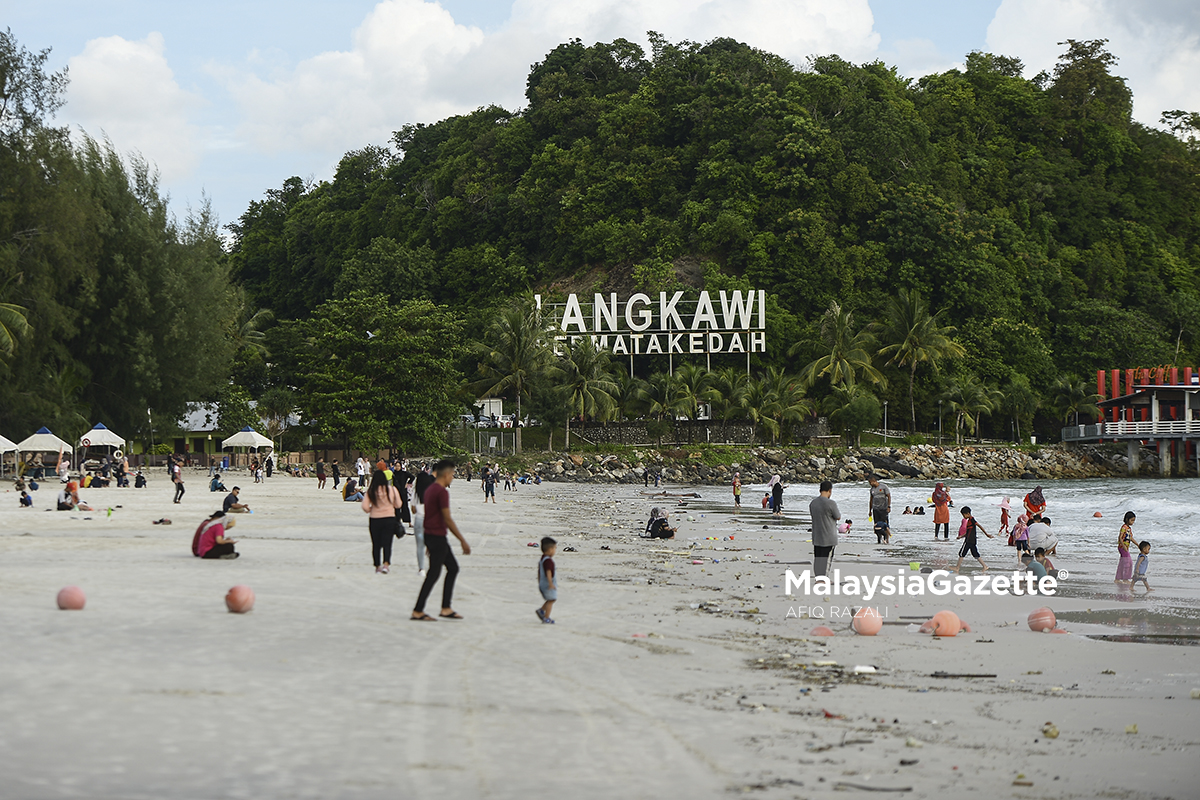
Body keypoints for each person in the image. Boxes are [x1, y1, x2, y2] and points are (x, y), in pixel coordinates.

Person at [411, 460, 471, 621]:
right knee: (436, 573)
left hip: (431, 535)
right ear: (446, 474)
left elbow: (429, 514)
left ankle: (445, 607)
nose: (453, 477)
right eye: (452, 474)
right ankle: (419, 610)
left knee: (451, 568)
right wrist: (462, 540)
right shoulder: (441, 492)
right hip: (437, 536)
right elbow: (447, 518)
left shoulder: (430, 490)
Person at [361, 468, 402, 574]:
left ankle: (377, 566)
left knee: (376, 543)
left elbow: (365, 507)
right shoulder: (392, 490)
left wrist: (372, 509)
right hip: (389, 518)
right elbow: (398, 504)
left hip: (375, 519)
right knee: (387, 543)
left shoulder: (371, 491)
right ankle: (386, 564)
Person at [810, 481, 840, 576]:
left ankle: (818, 577)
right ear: (830, 490)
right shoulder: (831, 503)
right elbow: (837, 516)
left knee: (818, 558)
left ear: (820, 490)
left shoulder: (813, 503)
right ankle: (823, 578)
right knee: (826, 559)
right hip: (829, 536)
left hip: (817, 535)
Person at [953, 505, 993, 573]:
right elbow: (968, 532)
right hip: (972, 540)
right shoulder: (969, 521)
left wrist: (986, 534)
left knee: (962, 553)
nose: (963, 517)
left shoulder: (972, 519)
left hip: (969, 540)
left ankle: (957, 567)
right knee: (975, 554)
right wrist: (961, 536)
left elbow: (979, 526)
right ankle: (985, 566)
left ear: (968, 513)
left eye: (964, 515)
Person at [412, 467, 436, 577]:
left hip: (419, 519)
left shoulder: (416, 493)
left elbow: (413, 509)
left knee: (419, 546)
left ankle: (421, 569)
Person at [536, 536, 557, 624]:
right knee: (551, 599)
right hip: (547, 584)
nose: (555, 551)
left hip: (542, 583)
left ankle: (541, 610)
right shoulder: (548, 561)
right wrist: (550, 583)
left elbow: (539, 572)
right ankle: (546, 617)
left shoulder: (542, 559)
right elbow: (548, 572)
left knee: (551, 599)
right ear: (550, 549)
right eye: (555, 548)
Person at [867, 474, 891, 543]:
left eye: (870, 482)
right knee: (877, 525)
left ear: (874, 481)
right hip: (875, 509)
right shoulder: (872, 490)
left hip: (883, 509)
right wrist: (870, 510)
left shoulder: (883, 487)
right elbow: (871, 500)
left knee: (885, 524)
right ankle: (879, 539)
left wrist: (888, 506)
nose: (870, 484)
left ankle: (886, 539)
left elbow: (889, 496)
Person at [1115, 512, 1137, 584]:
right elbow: (1120, 537)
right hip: (1122, 547)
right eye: (1132, 520)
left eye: (1134, 520)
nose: (1133, 522)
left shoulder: (1128, 529)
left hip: (1125, 548)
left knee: (1122, 562)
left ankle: (1118, 578)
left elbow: (1130, 538)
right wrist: (1123, 546)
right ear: (1127, 519)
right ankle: (1126, 578)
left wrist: (1137, 544)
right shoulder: (1124, 527)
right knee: (1128, 562)